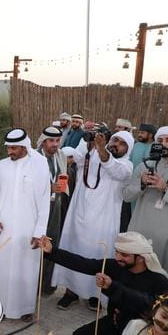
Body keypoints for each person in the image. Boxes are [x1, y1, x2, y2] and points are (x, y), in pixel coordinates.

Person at [41, 232, 168, 335]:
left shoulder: (159, 281)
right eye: (117, 252)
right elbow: (84, 264)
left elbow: (149, 304)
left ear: (140, 258)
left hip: (140, 333)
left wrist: (113, 287)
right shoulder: (115, 266)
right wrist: (52, 251)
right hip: (113, 323)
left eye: (124, 255)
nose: (118, 257)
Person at [53, 131, 134, 311]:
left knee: (98, 255)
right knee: (73, 250)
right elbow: (77, 158)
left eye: (122, 143)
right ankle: (70, 292)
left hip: (103, 221)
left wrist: (101, 149)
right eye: (115, 140)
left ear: (128, 149)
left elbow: (113, 169)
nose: (116, 144)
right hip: (78, 215)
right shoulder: (93, 155)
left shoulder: (126, 166)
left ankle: (95, 295)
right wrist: (87, 143)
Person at [0, 129, 50, 322]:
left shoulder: (39, 166)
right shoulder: (1, 166)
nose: (10, 152)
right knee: (1, 268)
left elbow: (44, 202)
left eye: (14, 148)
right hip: (4, 228)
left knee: (26, 268)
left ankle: (24, 308)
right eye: (8, 148)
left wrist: (39, 231)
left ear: (24, 146)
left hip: (28, 229)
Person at [124, 126, 168, 291]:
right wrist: (141, 184)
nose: (164, 144)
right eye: (160, 140)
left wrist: (166, 189)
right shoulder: (144, 166)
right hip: (141, 232)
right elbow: (126, 196)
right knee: (135, 282)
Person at [36, 126, 69, 295]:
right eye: (51, 141)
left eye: (57, 141)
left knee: (52, 243)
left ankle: (47, 285)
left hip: (56, 206)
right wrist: (49, 188)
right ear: (43, 141)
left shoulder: (61, 155)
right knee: (36, 243)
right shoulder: (34, 158)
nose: (55, 144)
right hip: (37, 208)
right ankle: (33, 285)